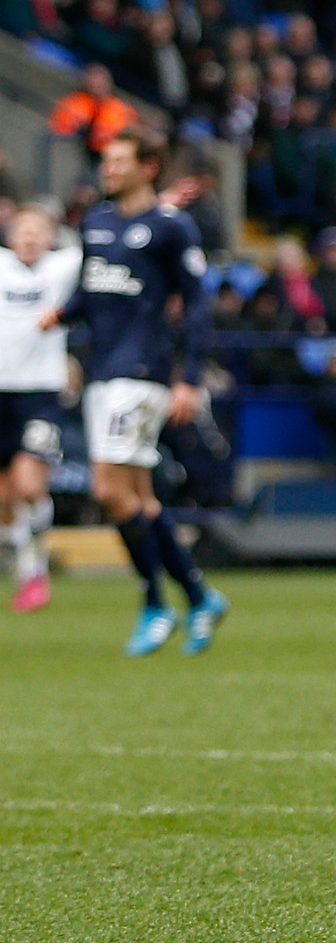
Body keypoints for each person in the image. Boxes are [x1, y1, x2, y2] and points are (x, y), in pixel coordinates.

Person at [38, 126, 229, 657]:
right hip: (102, 371)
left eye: (120, 160)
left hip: (141, 373)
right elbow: (90, 286)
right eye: (107, 160)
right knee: (138, 498)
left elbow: (196, 306)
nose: (109, 169)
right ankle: (197, 595)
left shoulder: (172, 227)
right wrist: (62, 314)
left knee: (108, 490)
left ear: (149, 167)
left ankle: (156, 601)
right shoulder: (95, 221)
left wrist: (188, 377)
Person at [0, 204, 81, 612]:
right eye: (22, 230)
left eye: (38, 231)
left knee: (30, 483)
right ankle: (28, 571)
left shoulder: (61, 269)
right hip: (1, 391)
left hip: (41, 393)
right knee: (4, 496)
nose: (30, 237)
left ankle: (37, 565)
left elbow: (95, 250)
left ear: (51, 237)